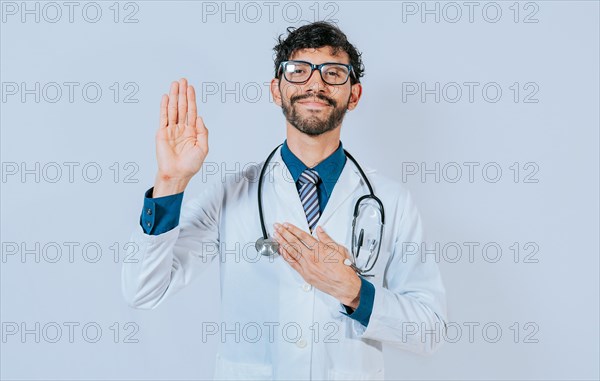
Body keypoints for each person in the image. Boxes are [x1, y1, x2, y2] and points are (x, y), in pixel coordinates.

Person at [122, 21, 447, 380]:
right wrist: (171, 181)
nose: (315, 84)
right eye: (299, 71)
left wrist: (354, 291)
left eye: (334, 73)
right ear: (277, 90)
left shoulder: (390, 201)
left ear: (353, 95)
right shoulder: (232, 193)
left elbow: (429, 331)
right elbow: (143, 289)